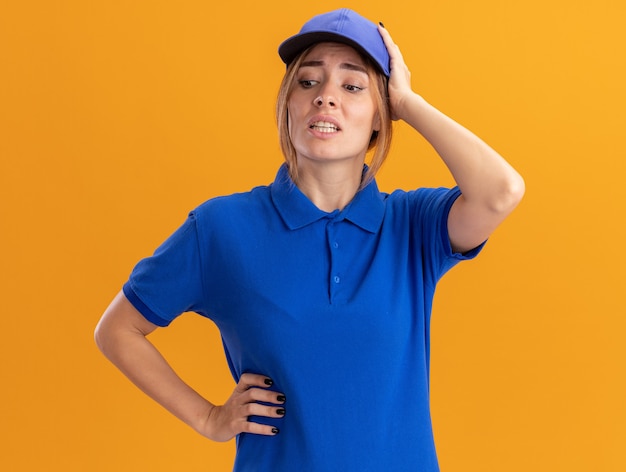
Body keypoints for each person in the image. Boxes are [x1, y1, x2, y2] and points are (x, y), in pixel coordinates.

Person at [95, 8, 524, 472]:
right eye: (308, 82)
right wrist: (207, 418)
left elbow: (502, 192)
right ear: (288, 105)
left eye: (353, 86)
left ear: (379, 115)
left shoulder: (412, 225)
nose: (326, 98)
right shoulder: (221, 228)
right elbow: (117, 330)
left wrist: (407, 103)